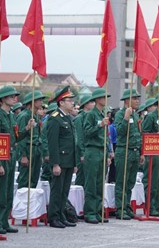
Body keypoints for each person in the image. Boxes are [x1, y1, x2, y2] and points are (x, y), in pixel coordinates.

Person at [0, 86, 33, 234]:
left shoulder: (10, 115)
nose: (14, 99)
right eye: (11, 96)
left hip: (10, 155)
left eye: (15, 96)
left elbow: (15, 137)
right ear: (3, 99)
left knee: (8, 192)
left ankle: (4, 221)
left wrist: (27, 129)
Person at [47, 86, 77, 228]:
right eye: (69, 100)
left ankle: (61, 215)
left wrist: (75, 162)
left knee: (64, 191)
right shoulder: (55, 119)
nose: (72, 103)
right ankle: (53, 217)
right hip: (60, 161)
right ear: (61, 102)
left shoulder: (68, 118)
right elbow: (53, 144)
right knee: (57, 190)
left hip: (69, 160)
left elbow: (72, 142)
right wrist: (55, 164)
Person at [114, 88, 145, 220]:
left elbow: (139, 134)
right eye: (135, 98)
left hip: (135, 152)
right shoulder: (120, 114)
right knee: (122, 182)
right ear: (127, 100)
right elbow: (120, 132)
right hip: (124, 151)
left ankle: (127, 206)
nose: (138, 101)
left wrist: (141, 152)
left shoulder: (136, 115)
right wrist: (126, 118)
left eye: (138, 98)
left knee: (130, 182)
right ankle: (120, 209)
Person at [82, 88, 111, 224]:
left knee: (100, 183)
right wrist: (100, 125)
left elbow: (106, 136)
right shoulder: (92, 115)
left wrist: (108, 152)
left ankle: (98, 211)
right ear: (98, 99)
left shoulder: (102, 114)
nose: (105, 100)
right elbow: (87, 132)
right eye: (104, 97)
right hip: (92, 150)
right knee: (91, 183)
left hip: (102, 150)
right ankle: (90, 212)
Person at [16, 91, 46, 189]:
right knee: (25, 180)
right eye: (39, 100)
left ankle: (30, 203)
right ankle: (22, 203)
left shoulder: (36, 116)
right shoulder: (24, 116)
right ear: (31, 102)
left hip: (36, 149)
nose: (41, 102)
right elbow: (20, 137)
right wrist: (24, 155)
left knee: (34, 180)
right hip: (28, 150)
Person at [74, 94, 95, 187]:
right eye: (91, 102)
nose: (93, 104)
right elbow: (79, 137)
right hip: (82, 151)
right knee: (81, 176)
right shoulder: (79, 118)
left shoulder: (91, 116)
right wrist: (82, 153)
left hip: (90, 150)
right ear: (85, 104)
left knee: (90, 178)